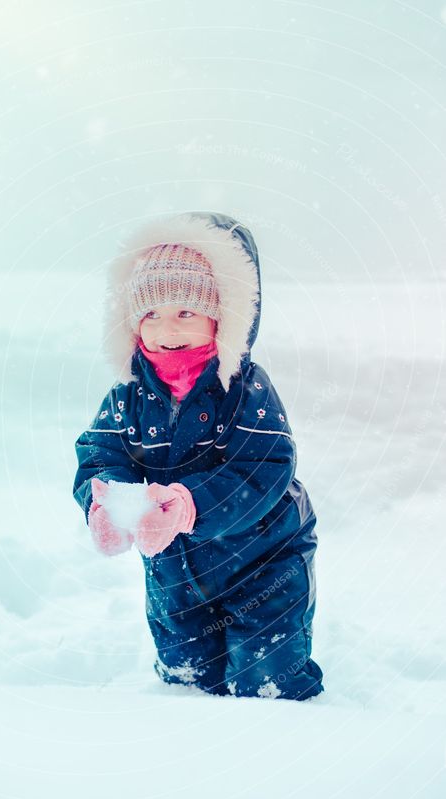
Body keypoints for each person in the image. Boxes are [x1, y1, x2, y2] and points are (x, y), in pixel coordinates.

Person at [73, 211, 324, 700]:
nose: (168, 328)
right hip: (173, 570)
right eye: (151, 313)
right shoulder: (126, 394)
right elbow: (100, 451)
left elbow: (266, 466)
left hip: (264, 561)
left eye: (185, 311)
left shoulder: (244, 389)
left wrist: (191, 503)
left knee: (266, 680)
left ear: (222, 316)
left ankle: (286, 741)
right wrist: (106, 501)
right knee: (187, 683)